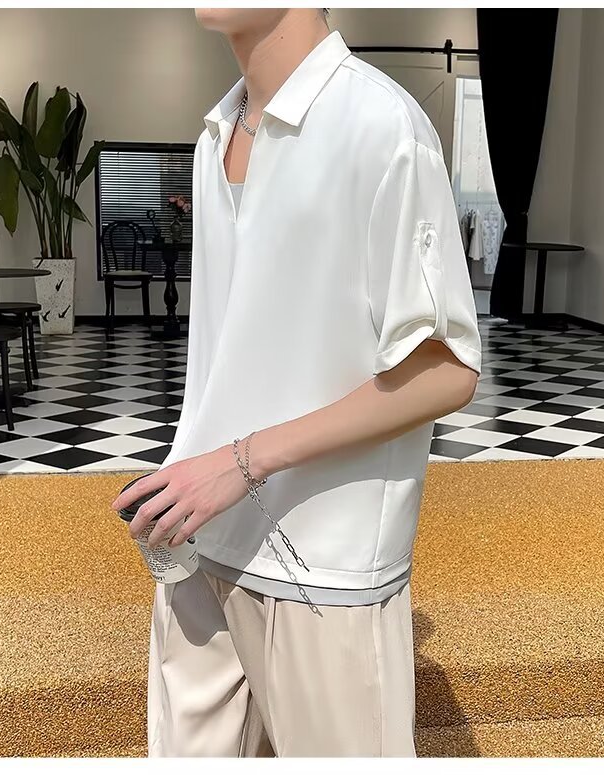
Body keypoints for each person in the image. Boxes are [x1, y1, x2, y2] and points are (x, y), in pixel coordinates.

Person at [111, 7, 481, 758]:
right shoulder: (215, 133)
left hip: (324, 564)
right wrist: (201, 469)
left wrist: (241, 461)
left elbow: (445, 368)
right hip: (199, 545)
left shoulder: (382, 127)